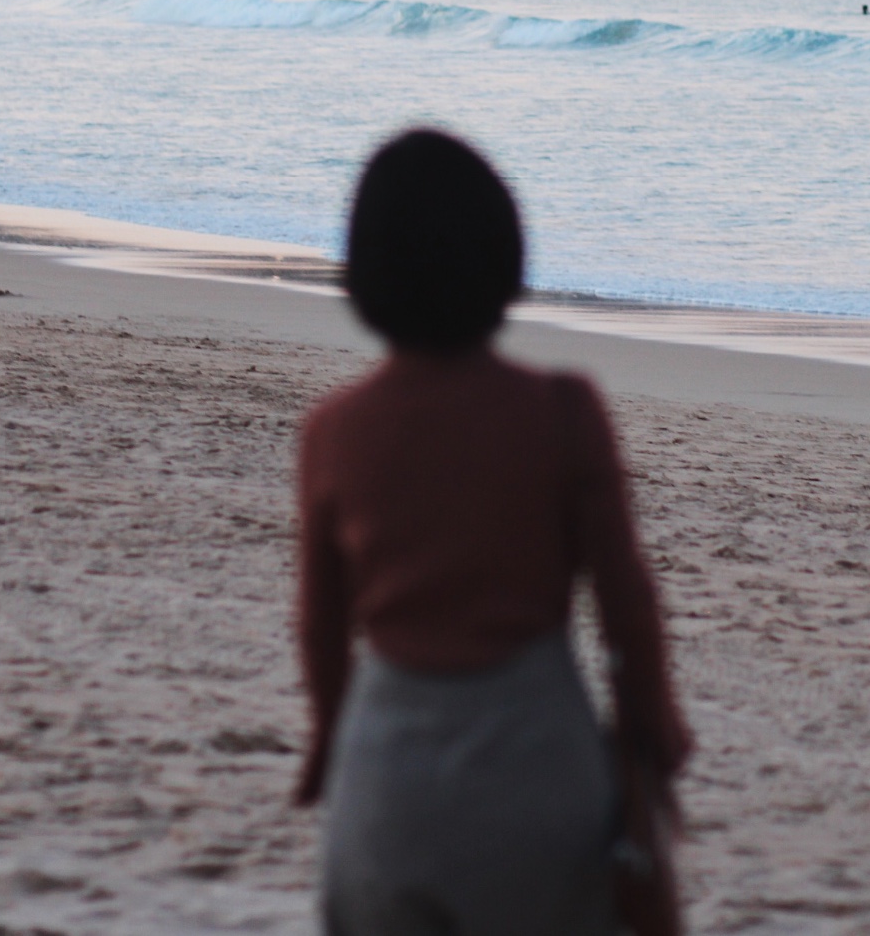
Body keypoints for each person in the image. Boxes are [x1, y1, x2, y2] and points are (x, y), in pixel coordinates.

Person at [295, 130, 690, 936]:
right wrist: (654, 725)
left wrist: (329, 739)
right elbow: (624, 599)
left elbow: (321, 623)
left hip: (388, 774)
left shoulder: (335, 430)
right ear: (507, 261)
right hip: (536, 765)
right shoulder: (563, 412)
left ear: (365, 274)